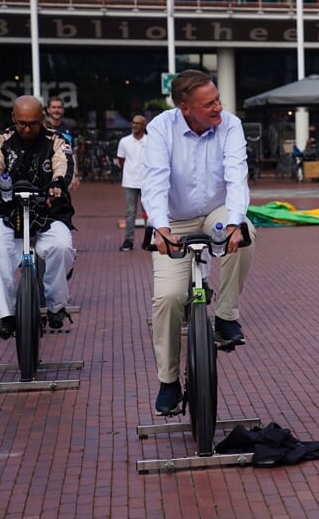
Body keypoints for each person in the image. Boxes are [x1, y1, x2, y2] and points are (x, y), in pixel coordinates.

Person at [142, 69, 256, 415]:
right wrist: (160, 229)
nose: (218, 108)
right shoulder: (161, 128)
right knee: (169, 298)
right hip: (173, 220)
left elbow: (237, 176)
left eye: (218, 99)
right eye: (209, 104)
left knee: (247, 232)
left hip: (215, 213)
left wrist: (235, 222)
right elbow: (155, 182)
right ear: (184, 108)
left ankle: (225, 316)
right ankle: (168, 381)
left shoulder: (230, 125)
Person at [0, 96, 76, 338]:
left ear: (42, 119)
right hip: (10, 214)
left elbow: (64, 165)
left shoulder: (56, 140)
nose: (27, 129)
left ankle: (56, 307)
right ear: (13, 118)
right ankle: (6, 314)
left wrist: (57, 183)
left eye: (33, 123)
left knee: (62, 248)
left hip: (48, 213)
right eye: (22, 123)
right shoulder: (2, 140)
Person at [116, 115, 147, 252]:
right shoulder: (124, 141)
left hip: (147, 182)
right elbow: (121, 160)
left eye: (138, 123)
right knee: (130, 212)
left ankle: (149, 240)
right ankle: (129, 240)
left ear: (144, 126)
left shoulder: (150, 141)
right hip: (129, 181)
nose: (134, 126)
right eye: (133, 123)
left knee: (149, 212)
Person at [45, 96, 80, 191]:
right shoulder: (43, 128)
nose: (57, 110)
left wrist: (76, 175)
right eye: (54, 107)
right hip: (45, 171)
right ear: (48, 110)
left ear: (63, 110)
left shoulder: (69, 128)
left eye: (59, 107)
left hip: (64, 172)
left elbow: (73, 152)